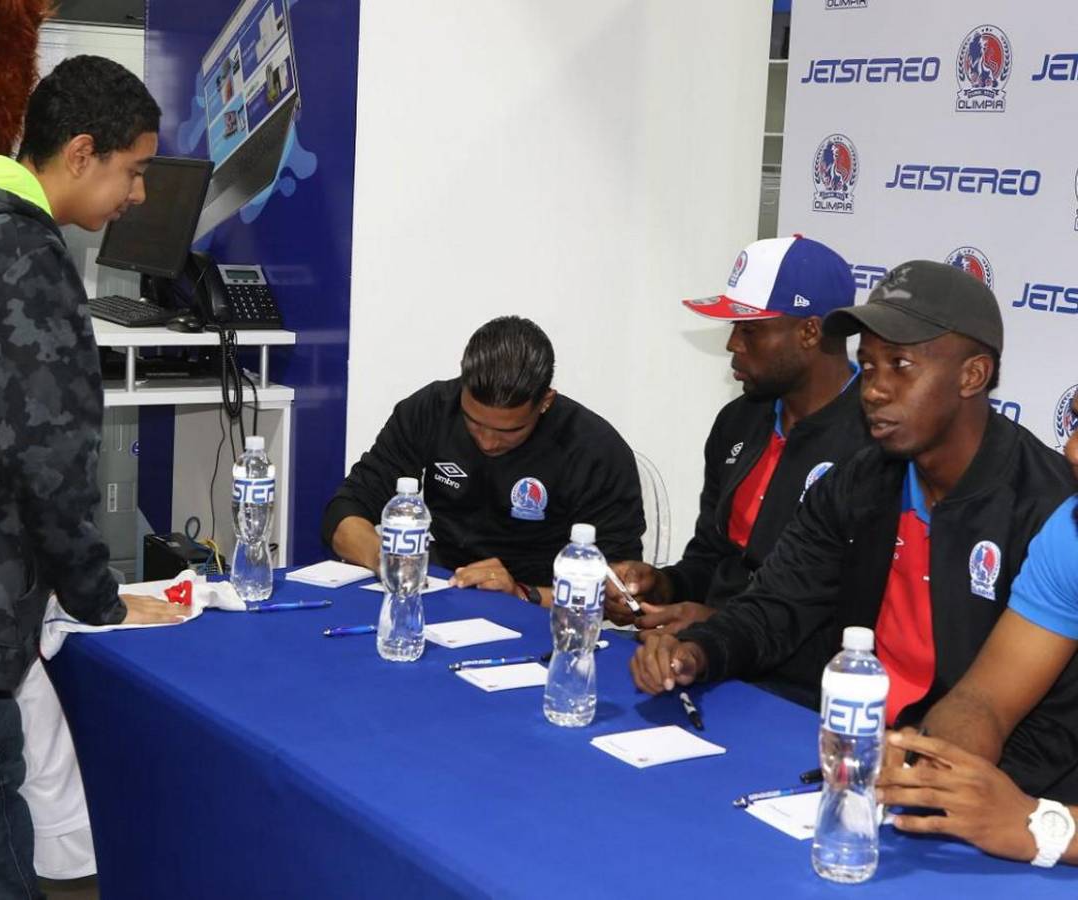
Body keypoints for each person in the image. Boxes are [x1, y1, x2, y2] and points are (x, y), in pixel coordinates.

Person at [0, 56, 189, 897]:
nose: (138, 197)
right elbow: (50, 462)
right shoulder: (22, 258)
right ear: (81, 152)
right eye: (134, 171)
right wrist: (98, 597)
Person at [629, 260, 1078, 802]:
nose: (874, 390)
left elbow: (1050, 726)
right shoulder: (863, 479)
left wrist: (922, 777)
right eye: (868, 367)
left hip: (983, 791)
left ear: (972, 375)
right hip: (848, 749)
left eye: (901, 365)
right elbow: (776, 603)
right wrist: (697, 651)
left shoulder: (1049, 511)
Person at [605, 236, 868, 706]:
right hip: (706, 658)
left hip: (802, 692)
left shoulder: (873, 444)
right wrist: (659, 585)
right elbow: (711, 557)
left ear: (809, 332)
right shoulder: (740, 420)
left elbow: (856, 612)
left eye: (749, 329)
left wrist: (714, 626)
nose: (732, 344)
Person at [876, 393, 1078, 867]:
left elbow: (1031, 827)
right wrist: (934, 762)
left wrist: (1041, 827)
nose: (1072, 450)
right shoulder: (1070, 534)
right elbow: (985, 699)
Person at [322, 315, 644, 604]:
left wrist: (522, 594)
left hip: (540, 610)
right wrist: (388, 560)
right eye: (473, 421)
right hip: (440, 588)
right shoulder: (429, 410)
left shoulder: (594, 449)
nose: (488, 441)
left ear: (545, 402)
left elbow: (618, 592)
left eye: (510, 430)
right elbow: (345, 510)